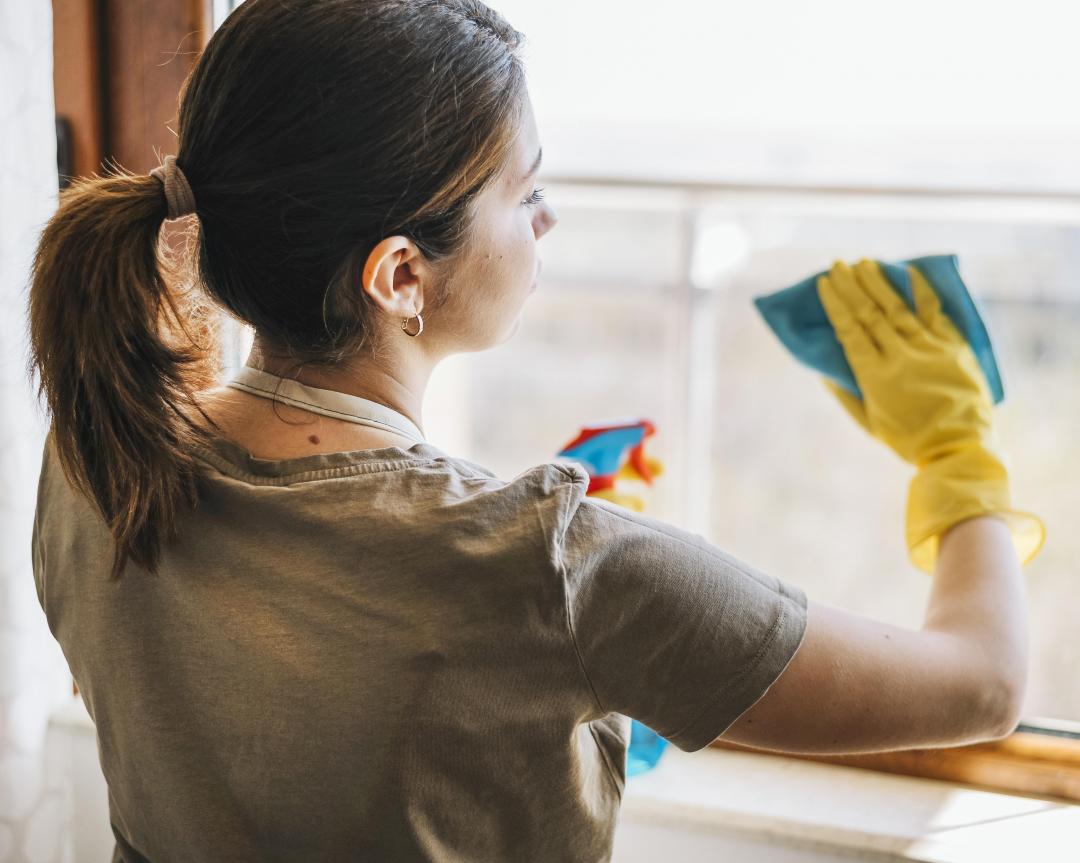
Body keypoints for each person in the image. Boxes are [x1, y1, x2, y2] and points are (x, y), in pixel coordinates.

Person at [26, 1, 1034, 860]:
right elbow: (983, 685)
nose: (545, 222)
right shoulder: (550, 569)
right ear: (400, 276)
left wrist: (548, 675)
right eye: (527, 190)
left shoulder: (96, 453)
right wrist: (956, 451)